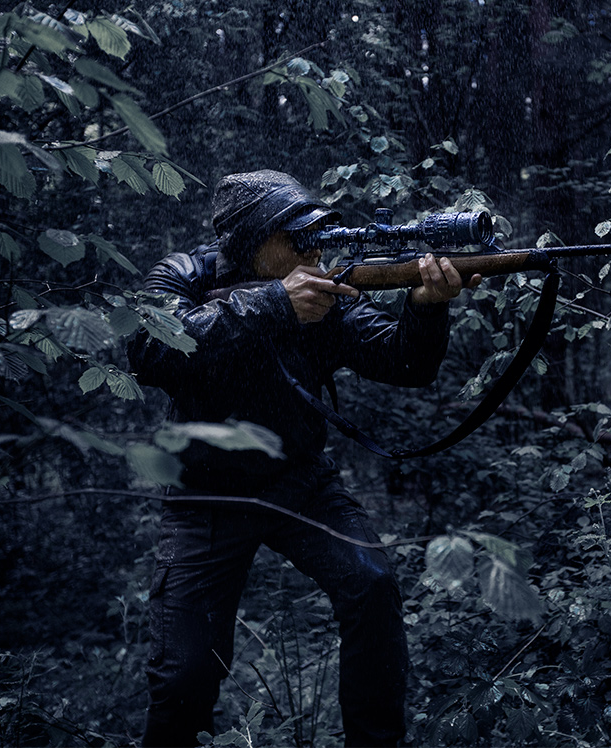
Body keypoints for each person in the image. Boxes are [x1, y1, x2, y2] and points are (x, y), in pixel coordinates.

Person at [127, 169, 481, 747]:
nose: (312, 248)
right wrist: (273, 305)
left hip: (301, 482)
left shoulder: (323, 291)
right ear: (249, 241)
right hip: (205, 497)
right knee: (186, 670)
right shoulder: (184, 276)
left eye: (314, 233)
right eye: (295, 237)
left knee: (371, 586)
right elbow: (148, 349)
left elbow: (406, 365)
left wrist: (426, 305)